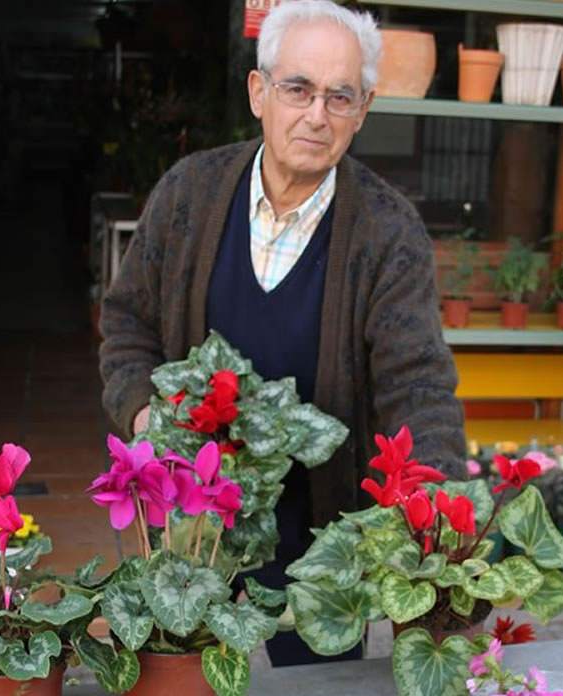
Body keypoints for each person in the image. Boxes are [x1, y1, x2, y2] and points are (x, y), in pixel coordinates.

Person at [99, 0, 466, 666]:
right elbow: (127, 321)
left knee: (316, 684)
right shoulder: (190, 193)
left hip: (322, 543)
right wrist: (147, 413)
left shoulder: (387, 231)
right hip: (193, 532)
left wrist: (437, 510)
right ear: (259, 91)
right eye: (298, 88)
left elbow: (418, 383)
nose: (316, 115)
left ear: (364, 109)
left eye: (340, 96)